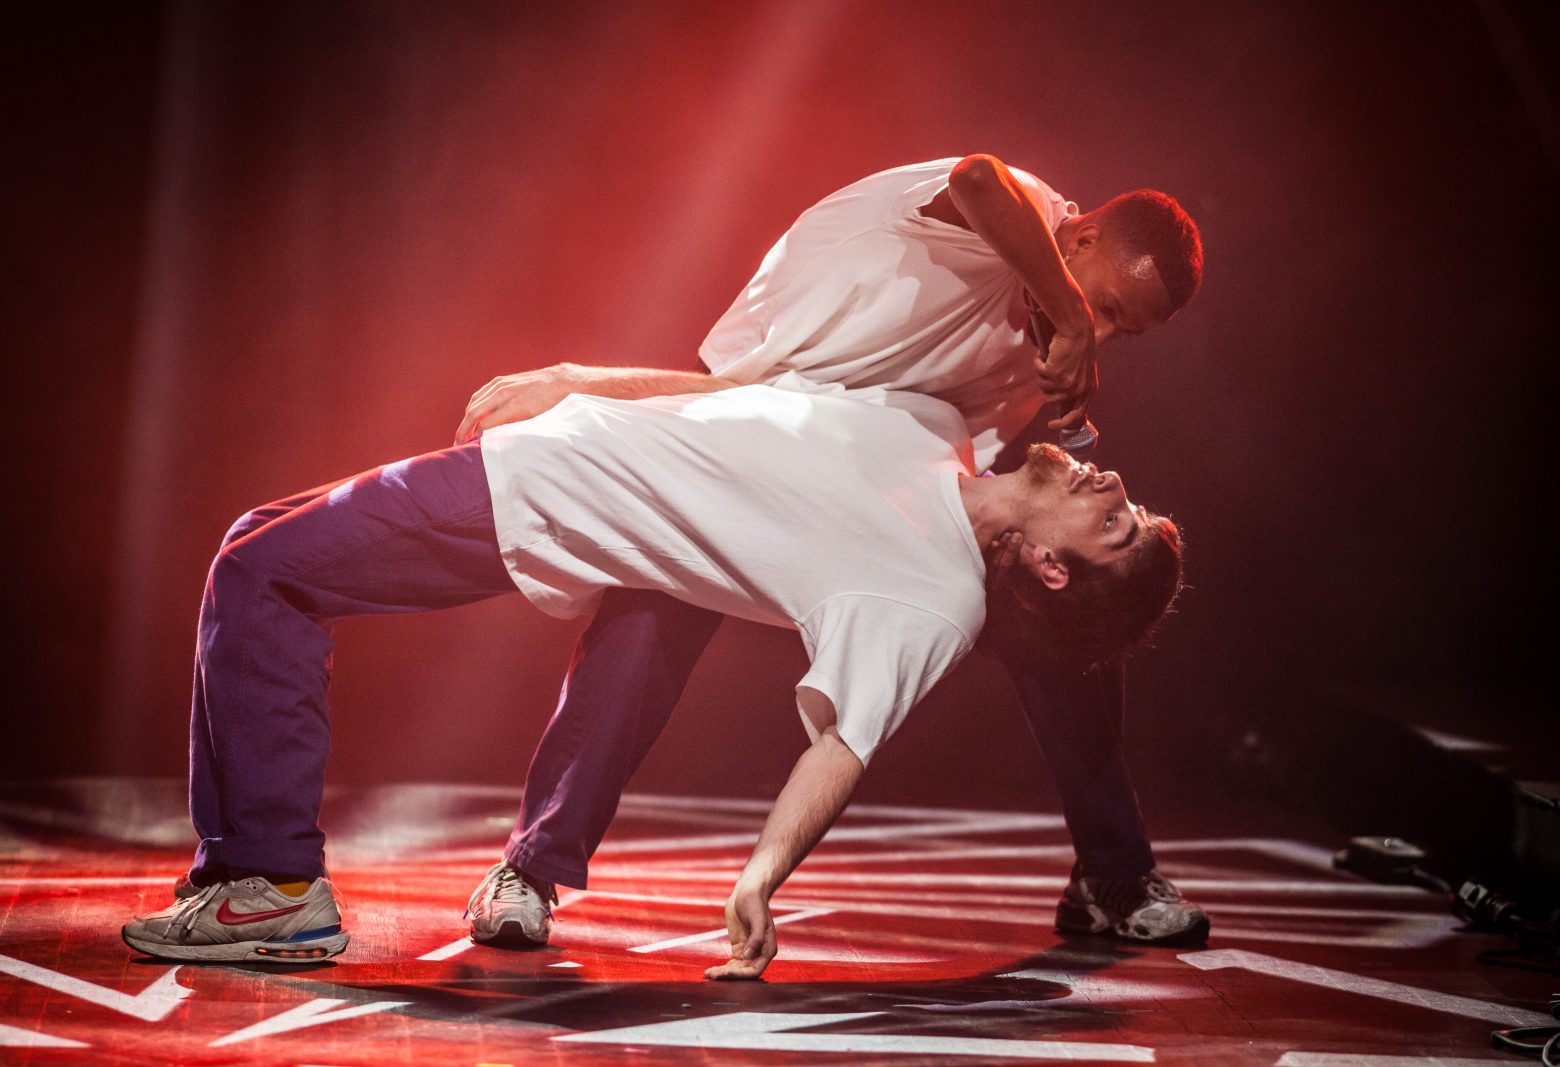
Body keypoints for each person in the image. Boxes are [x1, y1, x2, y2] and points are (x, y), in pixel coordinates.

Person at [120, 379, 1182, 978]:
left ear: (1052, 569)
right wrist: (574, 379)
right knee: (252, 544)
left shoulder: (930, 597)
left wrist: (758, 880)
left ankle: (276, 888)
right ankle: (240, 873)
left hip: (540, 502)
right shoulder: (938, 429)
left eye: (1116, 525)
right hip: (548, 449)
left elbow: (840, 747)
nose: (1114, 487)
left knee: (262, 577)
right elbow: (743, 386)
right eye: (1130, 506)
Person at [451, 155, 1208, 949]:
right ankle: (531, 865)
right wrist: (578, 383)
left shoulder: (1051, 341)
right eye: (1107, 309)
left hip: (891, 490)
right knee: (648, 622)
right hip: (753, 420)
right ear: (1080, 239)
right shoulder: (1015, 210)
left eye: (1123, 330)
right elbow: (978, 183)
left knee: (1078, 604)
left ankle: (1111, 871)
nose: (1102, 336)